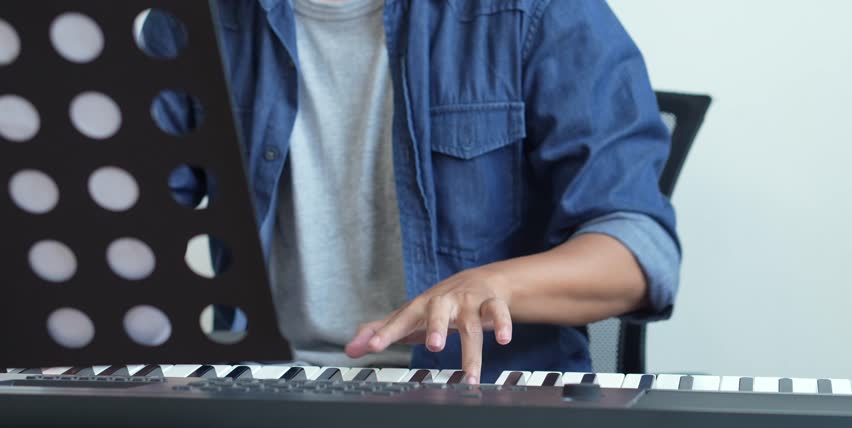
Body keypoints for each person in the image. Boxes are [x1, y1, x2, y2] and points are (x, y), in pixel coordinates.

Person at [143, 0, 680, 384]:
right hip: (264, 392)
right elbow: (120, 221)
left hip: (483, 404)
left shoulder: (540, 11)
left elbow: (637, 256)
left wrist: (493, 283)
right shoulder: (192, 20)